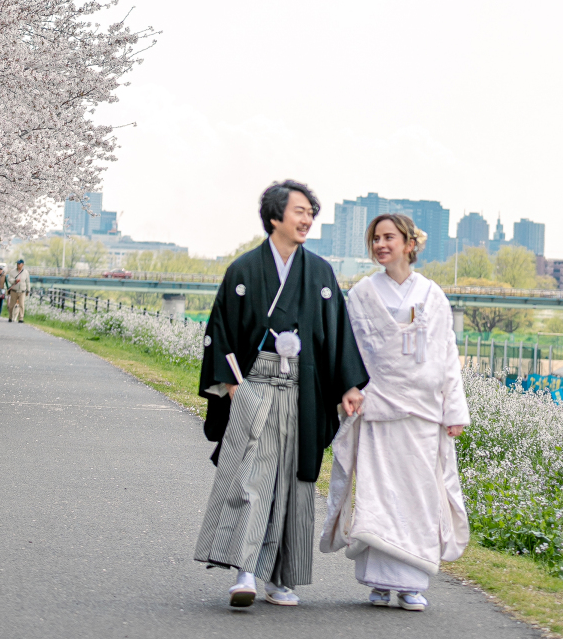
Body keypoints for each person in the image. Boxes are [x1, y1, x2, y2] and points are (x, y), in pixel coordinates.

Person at [194, 180, 369, 609]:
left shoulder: (321, 273)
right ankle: (245, 571)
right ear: (275, 217)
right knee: (251, 475)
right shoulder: (244, 271)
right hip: (255, 385)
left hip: (304, 390)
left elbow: (336, 335)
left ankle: (282, 576)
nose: (307, 219)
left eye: (311, 212)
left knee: (295, 482)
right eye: (299, 211)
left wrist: (348, 384)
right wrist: (233, 388)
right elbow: (221, 332)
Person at [320, 214, 470, 612]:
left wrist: (453, 410)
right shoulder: (362, 294)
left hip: (422, 414)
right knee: (378, 493)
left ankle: (411, 583)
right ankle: (378, 581)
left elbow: (447, 356)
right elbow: (347, 350)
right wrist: (348, 390)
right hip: (377, 408)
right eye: (375, 239)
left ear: (409, 243)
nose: (380, 245)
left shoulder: (432, 294)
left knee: (417, 496)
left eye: (389, 237)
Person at [7, 259, 29, 323]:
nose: (18, 265)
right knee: (11, 305)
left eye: (19, 264)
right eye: (17, 263)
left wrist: (28, 290)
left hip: (22, 291)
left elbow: (27, 282)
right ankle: (10, 317)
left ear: (22, 264)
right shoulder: (12, 271)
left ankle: (21, 318)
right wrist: (14, 281)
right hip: (14, 291)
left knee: (21, 305)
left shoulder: (26, 272)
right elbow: (9, 279)